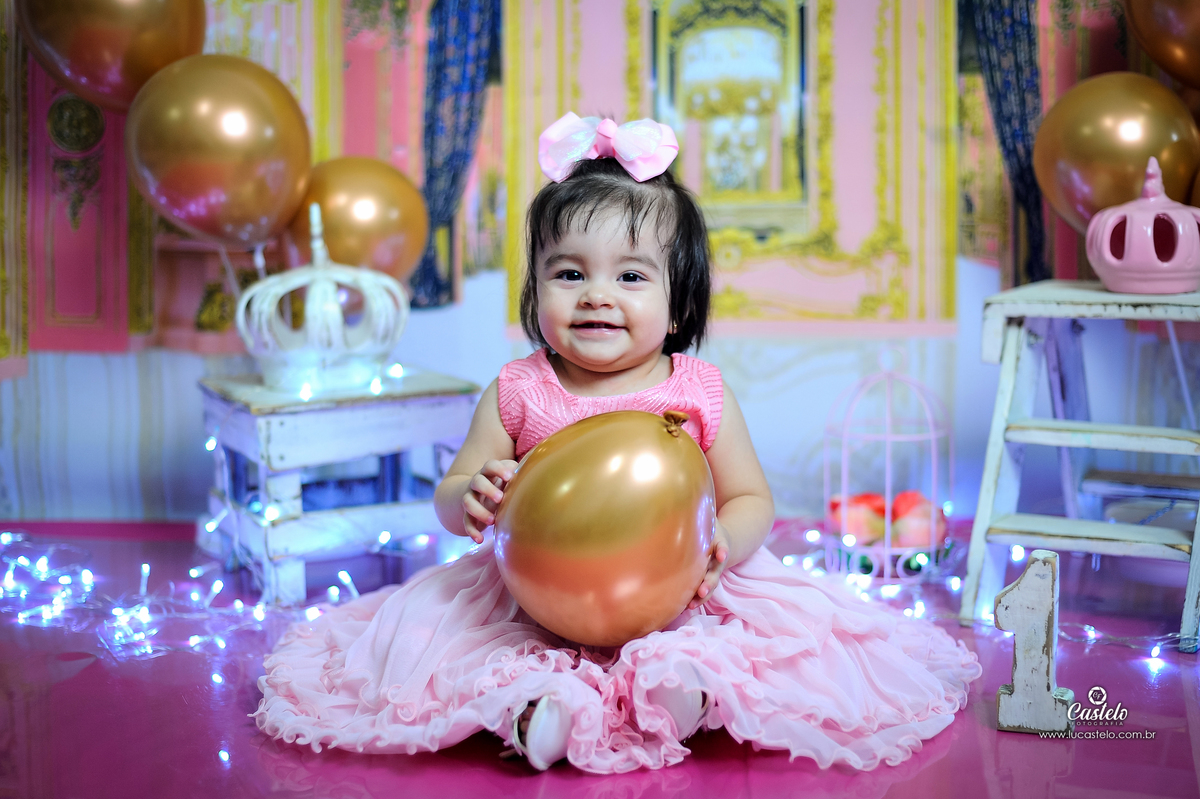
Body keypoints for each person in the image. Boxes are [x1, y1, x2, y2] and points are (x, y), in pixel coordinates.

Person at [254, 113, 982, 774]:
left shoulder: (698, 391)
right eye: (569, 273)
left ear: (677, 304)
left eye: (631, 276)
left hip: (679, 590)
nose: (596, 294)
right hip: (536, 595)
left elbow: (751, 496)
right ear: (535, 291)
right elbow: (453, 492)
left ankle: (681, 692)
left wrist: (722, 542)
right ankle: (535, 711)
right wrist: (467, 496)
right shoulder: (519, 389)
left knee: (719, 642)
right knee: (484, 656)